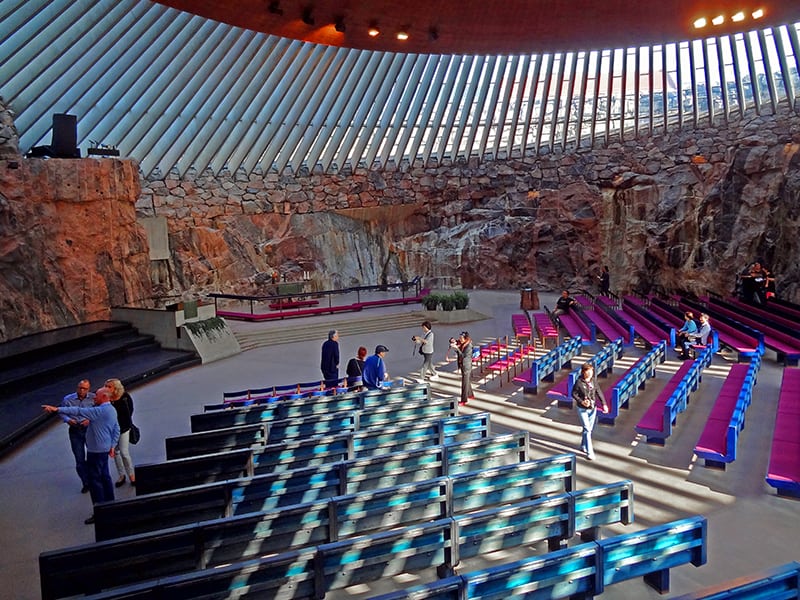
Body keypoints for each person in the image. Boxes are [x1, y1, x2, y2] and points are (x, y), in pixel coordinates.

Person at [42, 387, 119, 524]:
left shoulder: (99, 411)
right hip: (104, 449)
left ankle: (100, 511)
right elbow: (116, 429)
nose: (94, 398)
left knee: (95, 481)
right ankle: (111, 506)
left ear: (105, 397)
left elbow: (78, 411)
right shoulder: (112, 410)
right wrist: (112, 445)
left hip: (95, 451)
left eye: (97, 396)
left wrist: (57, 409)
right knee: (105, 477)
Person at [60, 379, 95, 494]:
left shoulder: (93, 398)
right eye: (80, 388)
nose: (81, 390)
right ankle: (86, 482)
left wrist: (90, 420)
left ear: (88, 389)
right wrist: (68, 420)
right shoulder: (68, 399)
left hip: (89, 430)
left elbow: (98, 411)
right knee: (79, 459)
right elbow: (62, 412)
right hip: (75, 430)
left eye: (84, 388)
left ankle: (94, 479)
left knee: (92, 456)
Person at [571, 362, 606, 460]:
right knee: (587, 429)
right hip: (582, 409)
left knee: (588, 429)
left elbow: (598, 391)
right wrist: (582, 402)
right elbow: (573, 394)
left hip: (592, 408)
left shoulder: (593, 381)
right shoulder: (579, 382)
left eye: (591, 371)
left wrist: (604, 404)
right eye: (588, 371)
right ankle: (590, 452)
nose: (590, 373)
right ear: (583, 372)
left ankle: (583, 445)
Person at [105, 378, 136, 487]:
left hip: (123, 428)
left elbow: (130, 410)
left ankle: (132, 475)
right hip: (111, 430)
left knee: (124, 452)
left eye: (109, 386)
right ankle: (121, 475)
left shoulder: (125, 397)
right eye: (106, 386)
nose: (107, 388)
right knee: (116, 452)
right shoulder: (106, 399)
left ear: (116, 388)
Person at [450, 331, 474, 405]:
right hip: (462, 364)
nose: (459, 340)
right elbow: (456, 342)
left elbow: (463, 355)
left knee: (464, 383)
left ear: (465, 338)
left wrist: (457, 348)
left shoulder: (469, 346)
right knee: (467, 381)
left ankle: (464, 400)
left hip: (466, 365)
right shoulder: (462, 343)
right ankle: (470, 394)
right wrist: (452, 341)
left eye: (461, 338)